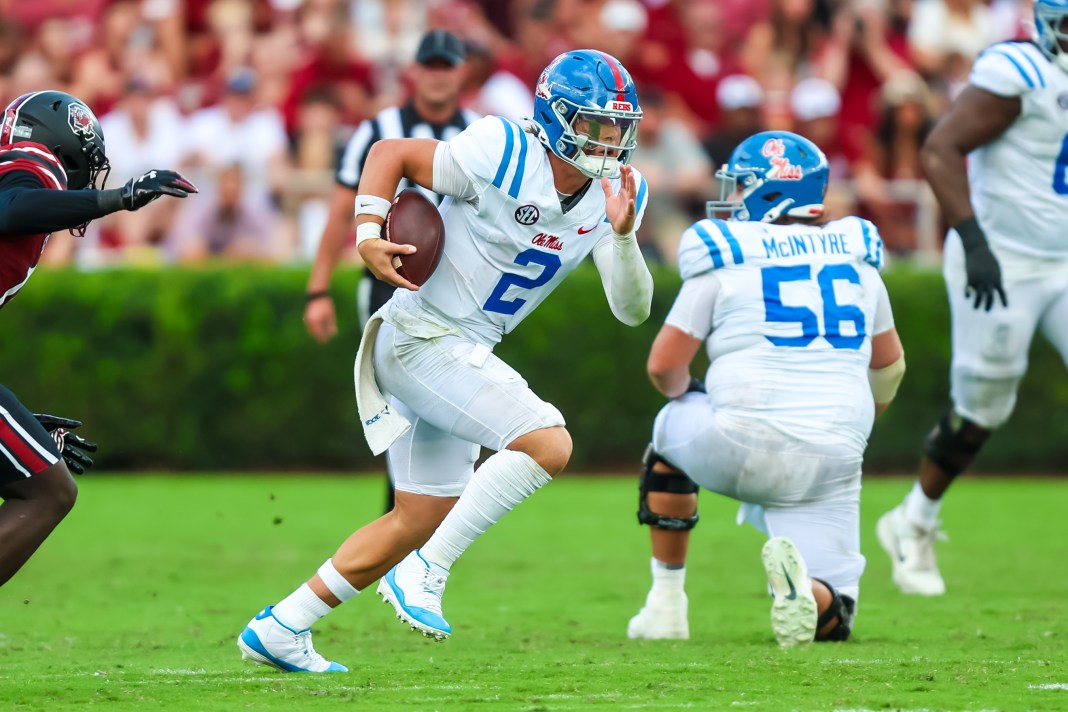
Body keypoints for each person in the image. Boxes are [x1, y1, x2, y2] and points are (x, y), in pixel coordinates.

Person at [238, 49, 652, 672]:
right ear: (558, 115)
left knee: (418, 515)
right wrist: (367, 230)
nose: (611, 139)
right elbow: (391, 155)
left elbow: (631, 311)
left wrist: (621, 238)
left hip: (460, 349)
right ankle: (427, 571)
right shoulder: (503, 149)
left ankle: (283, 626)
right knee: (549, 443)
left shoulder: (617, 192)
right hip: (420, 336)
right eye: (597, 124)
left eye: (620, 126)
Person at [625, 131, 905, 647]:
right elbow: (889, 367)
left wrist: (694, 395)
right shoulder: (859, 264)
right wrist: (865, 416)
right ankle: (809, 593)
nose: (731, 199)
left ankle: (666, 604)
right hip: (835, 457)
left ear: (768, 192)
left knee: (670, 427)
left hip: (742, 443)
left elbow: (664, 367)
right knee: (836, 615)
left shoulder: (728, 256)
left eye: (741, 187)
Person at [877, 1, 1068, 597]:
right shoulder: (1021, 73)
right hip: (1002, 257)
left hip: (1063, 259)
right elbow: (939, 149)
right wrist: (973, 238)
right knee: (983, 407)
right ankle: (914, 520)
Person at [0, 90, 196, 587]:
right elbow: (13, 207)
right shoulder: (31, 161)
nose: (88, 175)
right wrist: (118, 199)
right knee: (48, 493)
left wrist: (20, 420)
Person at [303, 29, 478, 513]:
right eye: (432, 65)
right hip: (386, 283)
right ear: (415, 71)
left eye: (448, 66)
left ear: (462, 72)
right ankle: (404, 519)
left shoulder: (479, 133)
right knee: (406, 403)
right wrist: (317, 290)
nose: (439, 75)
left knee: (441, 406)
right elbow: (342, 210)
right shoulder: (381, 126)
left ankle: (412, 520)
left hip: (458, 289)